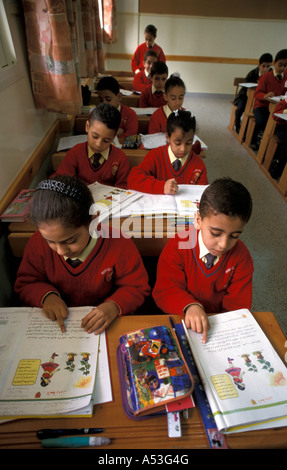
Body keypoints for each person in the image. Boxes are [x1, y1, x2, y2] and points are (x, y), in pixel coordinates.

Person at [14, 175, 151, 334]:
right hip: (58, 326)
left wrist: (113, 306)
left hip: (104, 322)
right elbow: (26, 283)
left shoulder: (119, 242)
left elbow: (136, 287)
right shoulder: (37, 243)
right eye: (50, 241)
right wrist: (47, 297)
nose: (60, 251)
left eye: (70, 240)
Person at [153, 178, 253, 343]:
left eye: (234, 236)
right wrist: (190, 306)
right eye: (215, 233)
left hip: (218, 331)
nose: (223, 244)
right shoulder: (178, 246)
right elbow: (165, 290)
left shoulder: (241, 258)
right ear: (198, 220)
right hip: (180, 320)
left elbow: (238, 308)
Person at [127, 110, 208, 194]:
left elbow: (204, 194)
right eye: (177, 143)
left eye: (189, 143)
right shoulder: (155, 156)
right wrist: (162, 187)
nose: (183, 149)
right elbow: (133, 179)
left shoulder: (198, 165)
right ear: (167, 137)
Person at [54, 103, 130, 188]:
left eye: (106, 140)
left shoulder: (120, 158)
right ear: (87, 126)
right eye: (95, 136)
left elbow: (122, 191)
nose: (98, 144)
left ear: (114, 137)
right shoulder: (75, 153)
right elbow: (61, 182)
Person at [148, 75, 205, 157]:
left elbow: (192, 136)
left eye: (181, 98)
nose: (177, 102)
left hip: (184, 153)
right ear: (165, 96)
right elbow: (153, 141)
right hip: (163, 155)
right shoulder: (157, 116)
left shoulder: (187, 114)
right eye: (173, 98)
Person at [252, 49, 287, 150]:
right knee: (262, 121)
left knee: (279, 124)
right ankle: (256, 140)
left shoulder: (286, 76)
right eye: (280, 65)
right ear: (274, 63)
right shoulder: (266, 77)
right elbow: (257, 94)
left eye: (285, 65)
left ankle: (271, 148)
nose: (282, 68)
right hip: (262, 105)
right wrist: (265, 96)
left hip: (278, 106)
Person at [233, 53, 273, 133]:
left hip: (260, 99)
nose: (266, 69)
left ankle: (251, 131)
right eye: (263, 66)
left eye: (268, 66)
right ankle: (237, 124)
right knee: (240, 108)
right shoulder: (252, 73)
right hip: (245, 96)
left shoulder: (271, 74)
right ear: (259, 65)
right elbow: (245, 86)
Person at [96, 76, 138, 144]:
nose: (104, 103)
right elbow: (93, 136)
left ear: (119, 97)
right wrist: (118, 131)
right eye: (100, 100)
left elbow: (130, 138)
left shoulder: (130, 114)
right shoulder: (95, 114)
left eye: (108, 99)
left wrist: (105, 135)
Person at [269, 95, 287, 180]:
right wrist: (285, 111)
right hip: (283, 128)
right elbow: (275, 115)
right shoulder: (285, 102)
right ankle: (278, 166)